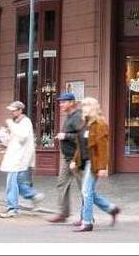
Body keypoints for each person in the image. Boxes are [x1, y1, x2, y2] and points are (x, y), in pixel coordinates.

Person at [71, 97, 120, 232]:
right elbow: (80, 146)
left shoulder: (100, 124)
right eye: (83, 106)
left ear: (93, 108)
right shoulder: (84, 124)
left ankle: (87, 222)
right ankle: (111, 209)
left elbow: (103, 148)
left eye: (87, 106)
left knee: (86, 191)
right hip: (85, 161)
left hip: (94, 163)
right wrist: (74, 160)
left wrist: (102, 167)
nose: (84, 109)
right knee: (89, 192)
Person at [0, 101, 45, 218]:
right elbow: (16, 140)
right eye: (11, 110)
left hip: (19, 159)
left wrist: (11, 125)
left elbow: (22, 137)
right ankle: (33, 196)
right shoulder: (17, 123)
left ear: (20, 110)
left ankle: (12, 208)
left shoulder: (25, 122)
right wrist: (4, 143)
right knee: (18, 183)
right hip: (16, 158)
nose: (12, 113)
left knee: (11, 183)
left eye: (14, 110)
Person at [47, 92, 84, 223]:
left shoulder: (77, 116)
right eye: (60, 102)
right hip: (66, 158)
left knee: (84, 188)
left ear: (71, 102)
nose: (60, 104)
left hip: (77, 158)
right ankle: (63, 213)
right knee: (61, 184)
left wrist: (65, 136)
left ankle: (86, 216)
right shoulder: (68, 116)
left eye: (63, 102)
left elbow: (84, 137)